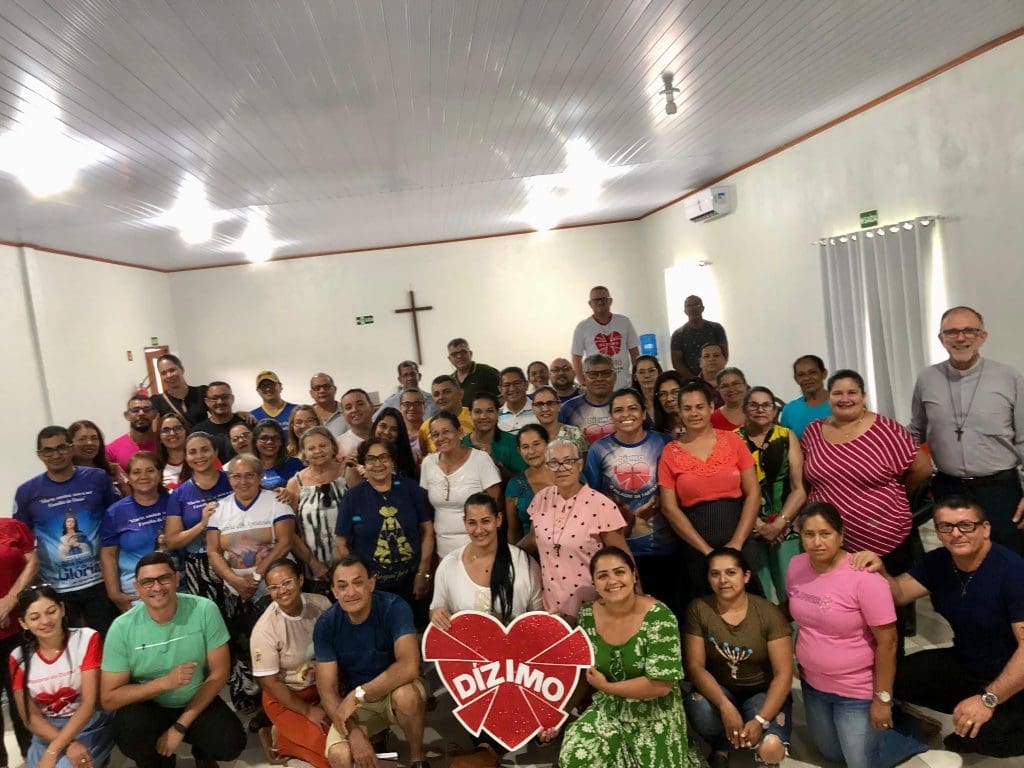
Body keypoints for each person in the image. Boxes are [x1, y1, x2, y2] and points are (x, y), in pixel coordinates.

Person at [853, 496, 1024, 758]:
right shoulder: (939, 561)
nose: (956, 534)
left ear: (985, 528)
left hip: (1015, 675)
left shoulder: (1013, 572)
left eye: (966, 525)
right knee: (894, 678)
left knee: (983, 738)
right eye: (946, 526)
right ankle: (923, 721)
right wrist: (880, 570)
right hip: (968, 663)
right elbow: (900, 593)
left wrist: (987, 700)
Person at [787, 502, 920, 768]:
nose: (817, 542)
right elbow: (790, 610)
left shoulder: (864, 577)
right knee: (830, 754)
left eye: (825, 533)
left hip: (856, 690)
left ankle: (908, 731)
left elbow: (888, 642)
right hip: (813, 685)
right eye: (809, 534)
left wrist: (882, 699)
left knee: (859, 762)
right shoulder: (796, 565)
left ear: (841, 535)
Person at [801, 369, 932, 638]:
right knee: (843, 612)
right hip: (832, 544)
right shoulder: (814, 431)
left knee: (886, 618)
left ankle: (891, 663)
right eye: (837, 393)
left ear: (863, 395)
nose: (845, 398)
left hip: (884, 538)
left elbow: (922, 468)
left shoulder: (887, 429)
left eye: (852, 392)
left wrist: (894, 494)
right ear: (829, 397)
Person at [558, 546, 701, 768]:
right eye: (603, 575)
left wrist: (607, 687)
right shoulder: (586, 616)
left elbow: (661, 686)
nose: (612, 581)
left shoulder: (660, 617)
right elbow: (585, 674)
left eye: (619, 572)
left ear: (634, 575)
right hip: (609, 710)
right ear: (594, 582)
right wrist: (559, 715)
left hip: (655, 714)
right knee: (574, 756)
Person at [100, 552, 246, 768]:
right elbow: (109, 698)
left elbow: (220, 674)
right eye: (148, 582)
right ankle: (160, 762)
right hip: (148, 705)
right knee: (130, 733)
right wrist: (164, 683)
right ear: (137, 587)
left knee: (230, 742)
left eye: (164, 578)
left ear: (177, 579)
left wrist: (180, 726)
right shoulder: (121, 628)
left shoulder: (204, 609)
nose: (157, 587)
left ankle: (203, 754)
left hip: (195, 698)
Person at [429, 494, 543, 768]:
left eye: (486, 521)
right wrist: (437, 614)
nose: (479, 529)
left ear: (499, 520)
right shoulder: (450, 564)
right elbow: (436, 608)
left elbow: (537, 617)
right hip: (472, 666)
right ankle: (486, 749)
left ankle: (489, 749)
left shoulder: (522, 562)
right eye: (472, 522)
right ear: (464, 523)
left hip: (518, 663)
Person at [910, 305, 1024, 554]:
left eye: (969, 331)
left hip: (999, 489)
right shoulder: (927, 379)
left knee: (1009, 557)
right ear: (941, 338)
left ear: (982, 336)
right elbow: (915, 432)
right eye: (952, 332)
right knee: (957, 557)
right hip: (948, 488)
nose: (961, 338)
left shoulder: (1009, 377)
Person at [313, 554, 431, 768]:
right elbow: (327, 690)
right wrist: (354, 734)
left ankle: (418, 759)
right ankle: (372, 737)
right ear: (334, 592)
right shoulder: (326, 624)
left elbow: (409, 666)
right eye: (342, 586)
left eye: (358, 583)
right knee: (339, 754)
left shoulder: (394, 607)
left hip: (393, 689)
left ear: (371, 583)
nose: (350, 592)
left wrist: (359, 694)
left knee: (406, 696)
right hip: (357, 702)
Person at [683, 548, 793, 768]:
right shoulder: (699, 609)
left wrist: (760, 720)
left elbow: (784, 673)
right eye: (715, 574)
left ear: (746, 576)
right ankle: (721, 743)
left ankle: (758, 739)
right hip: (721, 689)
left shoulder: (768, 612)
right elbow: (695, 666)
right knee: (699, 706)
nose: (723, 580)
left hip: (761, 691)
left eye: (731, 572)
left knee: (771, 749)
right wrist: (724, 706)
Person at [206, 453, 297, 713]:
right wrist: (234, 579)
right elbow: (213, 551)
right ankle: (263, 705)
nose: (243, 481)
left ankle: (289, 701)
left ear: (259, 477)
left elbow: (285, 542)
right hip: (235, 592)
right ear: (229, 479)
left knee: (281, 646)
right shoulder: (219, 509)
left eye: (249, 475)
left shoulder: (276, 502)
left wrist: (257, 576)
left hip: (273, 589)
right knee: (248, 649)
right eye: (236, 476)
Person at [658, 383, 761, 600]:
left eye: (699, 407)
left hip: (740, 537)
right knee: (704, 609)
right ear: (679, 412)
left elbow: (753, 493)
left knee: (750, 604)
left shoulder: (733, 440)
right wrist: (705, 550)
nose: (694, 413)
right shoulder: (670, 452)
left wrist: (737, 543)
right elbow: (669, 507)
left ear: (711, 407)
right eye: (687, 408)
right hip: (695, 547)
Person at [14, 426, 119, 634]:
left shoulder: (97, 478)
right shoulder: (27, 492)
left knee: (108, 643)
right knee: (68, 647)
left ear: (71, 448)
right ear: (39, 455)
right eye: (48, 450)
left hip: (101, 582)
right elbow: (22, 542)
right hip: (57, 589)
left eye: (61, 447)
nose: (56, 455)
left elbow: (115, 520)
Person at [585, 388, 676, 615]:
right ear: (611, 416)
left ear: (644, 413)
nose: (626, 414)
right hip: (620, 553)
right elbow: (593, 499)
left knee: (667, 612)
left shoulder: (664, 442)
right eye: (618, 410)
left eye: (632, 408)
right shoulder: (598, 450)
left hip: (664, 547)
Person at [519, 439, 628, 621]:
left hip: (594, 606)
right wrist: (503, 554)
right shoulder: (541, 499)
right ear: (547, 467)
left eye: (568, 461)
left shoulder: (602, 505)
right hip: (551, 607)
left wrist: (634, 602)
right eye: (554, 463)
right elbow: (532, 539)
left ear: (579, 464)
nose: (561, 468)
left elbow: (623, 558)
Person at [11, 585, 114, 768]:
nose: (45, 621)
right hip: (47, 730)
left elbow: (89, 704)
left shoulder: (86, 638)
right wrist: (67, 744)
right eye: (34, 617)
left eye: (51, 611)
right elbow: (30, 717)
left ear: (62, 609)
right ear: (23, 623)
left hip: (88, 723)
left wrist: (53, 751)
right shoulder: (18, 657)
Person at [250, 559, 332, 768]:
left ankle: (284, 737)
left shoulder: (322, 604)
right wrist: (308, 711)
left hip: (323, 686)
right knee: (331, 753)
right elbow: (269, 683)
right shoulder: (265, 630)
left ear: (300, 580)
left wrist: (330, 694)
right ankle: (278, 737)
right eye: (274, 587)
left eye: (287, 582)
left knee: (352, 735)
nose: (282, 591)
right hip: (287, 697)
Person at [336, 437, 434, 605]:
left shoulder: (411, 489)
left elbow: (428, 530)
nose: (378, 464)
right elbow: (341, 543)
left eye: (383, 457)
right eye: (371, 459)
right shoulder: (353, 496)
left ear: (392, 460)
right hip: (372, 587)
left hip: (411, 582)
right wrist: (359, 580)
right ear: (363, 463)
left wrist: (423, 573)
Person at [737, 387, 806, 602]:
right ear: (744, 409)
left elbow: (798, 488)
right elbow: (732, 489)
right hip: (748, 527)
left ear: (775, 410)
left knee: (793, 592)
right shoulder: (732, 440)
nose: (760, 410)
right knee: (759, 595)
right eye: (754, 405)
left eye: (766, 405)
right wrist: (757, 524)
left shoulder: (786, 436)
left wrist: (780, 523)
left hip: (786, 526)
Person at [420, 412, 500, 559]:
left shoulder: (480, 460)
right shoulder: (428, 463)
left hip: (479, 545)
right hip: (443, 549)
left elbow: (496, 506)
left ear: (460, 432)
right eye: (435, 434)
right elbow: (426, 508)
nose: (441, 438)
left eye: (446, 431)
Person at [164, 431, 232, 603]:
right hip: (201, 567)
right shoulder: (179, 494)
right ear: (186, 457)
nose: (199, 456)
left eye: (205, 450)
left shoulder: (234, 480)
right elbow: (172, 541)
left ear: (215, 452)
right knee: (210, 614)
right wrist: (202, 525)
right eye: (192, 452)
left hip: (237, 557)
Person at [100, 452, 171, 613]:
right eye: (136, 472)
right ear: (129, 477)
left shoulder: (174, 502)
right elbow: (108, 555)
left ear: (160, 474)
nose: (143, 476)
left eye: (150, 471)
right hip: (136, 594)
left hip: (175, 585)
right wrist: (114, 594)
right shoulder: (115, 512)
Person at [286, 427, 347, 595]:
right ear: (304, 453)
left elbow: (361, 518)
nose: (318, 451)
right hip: (314, 570)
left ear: (333, 447)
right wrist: (313, 563)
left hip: (350, 562)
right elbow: (290, 532)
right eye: (311, 448)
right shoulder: (294, 484)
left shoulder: (348, 472)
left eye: (323, 445)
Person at [0, 517, 38, 766]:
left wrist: (10, 600)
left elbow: (32, 562)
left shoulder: (12, 527)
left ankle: (32, 757)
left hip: (18, 629)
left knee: (23, 697)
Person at [571, 285, 640, 390]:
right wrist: (583, 384)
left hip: (624, 386)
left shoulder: (624, 322)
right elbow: (576, 358)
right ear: (590, 303)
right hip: (597, 388)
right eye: (596, 300)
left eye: (603, 299)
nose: (600, 302)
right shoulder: (582, 327)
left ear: (610, 301)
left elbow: (634, 353)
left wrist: (637, 379)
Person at [505, 424, 556, 543]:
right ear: (519, 451)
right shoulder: (515, 485)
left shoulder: (568, 473)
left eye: (536, 444)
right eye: (525, 447)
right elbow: (513, 533)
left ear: (547, 444)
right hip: (530, 551)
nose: (531, 451)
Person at [462, 393, 527, 480]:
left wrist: (494, 463)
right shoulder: (461, 444)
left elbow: (523, 482)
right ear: (470, 414)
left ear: (497, 413)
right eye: (478, 412)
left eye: (489, 411)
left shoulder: (512, 442)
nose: (483, 416)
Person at [559, 353, 617, 445]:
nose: (600, 379)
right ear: (584, 378)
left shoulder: (627, 405)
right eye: (593, 374)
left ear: (615, 377)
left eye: (606, 373)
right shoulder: (567, 409)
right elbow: (561, 445)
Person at [670, 294, 729, 381]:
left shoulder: (716, 328)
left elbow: (724, 355)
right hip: (690, 382)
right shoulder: (678, 334)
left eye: (696, 305)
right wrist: (696, 380)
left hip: (717, 379)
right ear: (685, 311)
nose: (693, 308)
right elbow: (677, 363)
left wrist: (714, 377)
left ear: (702, 308)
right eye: (689, 306)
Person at [69, 420, 129, 497]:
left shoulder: (112, 470)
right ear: (70, 443)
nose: (90, 443)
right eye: (82, 439)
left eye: (94, 438)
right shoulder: (66, 475)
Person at [192, 382, 249, 463]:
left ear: (232, 399)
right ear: (207, 402)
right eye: (214, 398)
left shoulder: (247, 422)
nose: (220, 402)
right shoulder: (199, 432)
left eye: (224, 397)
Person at [779, 355, 831, 438]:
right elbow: (784, 442)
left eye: (813, 372)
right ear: (796, 379)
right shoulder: (790, 409)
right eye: (801, 375)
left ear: (824, 374)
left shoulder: (839, 403)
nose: (807, 378)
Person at [419, 376, 473, 454]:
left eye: (447, 392)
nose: (441, 397)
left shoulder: (475, 417)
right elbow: (424, 455)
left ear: (461, 393)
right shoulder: (425, 427)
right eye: (436, 394)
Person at [150, 354, 208, 426]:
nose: (169, 375)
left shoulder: (201, 392)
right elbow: (154, 429)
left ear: (182, 369)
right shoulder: (157, 402)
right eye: (163, 373)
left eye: (172, 370)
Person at [252, 419, 304, 497]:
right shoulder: (248, 468)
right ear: (255, 442)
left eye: (275, 438)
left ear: (281, 441)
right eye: (264, 438)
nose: (270, 442)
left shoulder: (296, 465)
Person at [531, 385, 587, 457]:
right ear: (532, 408)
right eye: (539, 404)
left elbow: (584, 461)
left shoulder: (574, 433)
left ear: (559, 406)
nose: (545, 409)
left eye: (550, 403)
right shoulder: (529, 436)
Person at [105, 394, 157, 471]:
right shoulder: (111, 450)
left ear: (154, 414)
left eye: (146, 410)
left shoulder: (164, 444)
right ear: (127, 415)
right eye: (135, 410)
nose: (141, 413)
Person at [447, 338, 500, 409]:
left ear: (470, 354)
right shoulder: (449, 381)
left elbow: (502, 397)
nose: (459, 356)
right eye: (454, 354)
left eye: (463, 352)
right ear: (450, 359)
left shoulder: (486, 372)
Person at [371, 407, 418, 479]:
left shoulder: (409, 457)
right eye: (383, 426)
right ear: (375, 426)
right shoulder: (362, 454)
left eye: (394, 429)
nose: (387, 432)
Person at [497, 367, 538, 435]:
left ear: (526, 385)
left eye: (517, 383)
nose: (512, 389)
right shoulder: (496, 416)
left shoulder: (539, 410)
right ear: (500, 389)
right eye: (507, 385)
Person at [337, 389, 375, 458]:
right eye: (348, 407)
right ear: (343, 414)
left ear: (371, 406)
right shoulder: (339, 444)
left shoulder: (386, 433)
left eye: (360, 404)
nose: (354, 410)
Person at [156, 413, 187, 490]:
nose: (172, 433)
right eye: (166, 430)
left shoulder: (199, 459)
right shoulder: (155, 466)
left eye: (177, 428)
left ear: (186, 432)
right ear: (159, 437)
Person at [652, 371, 686, 439]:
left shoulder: (700, 426)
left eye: (675, 392)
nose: (669, 399)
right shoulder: (655, 436)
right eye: (663, 394)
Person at [399, 388, 429, 462]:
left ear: (424, 407)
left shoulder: (431, 430)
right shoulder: (397, 433)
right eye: (407, 404)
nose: (412, 408)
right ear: (400, 407)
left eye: (417, 404)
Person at [630, 355, 662, 423]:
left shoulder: (667, 399)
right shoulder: (632, 403)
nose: (647, 376)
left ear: (659, 373)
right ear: (635, 377)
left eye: (651, 371)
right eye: (641, 372)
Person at [696, 343, 728, 407]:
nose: (711, 359)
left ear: (725, 360)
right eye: (706, 356)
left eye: (716, 355)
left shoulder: (736, 384)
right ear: (700, 362)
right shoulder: (692, 386)